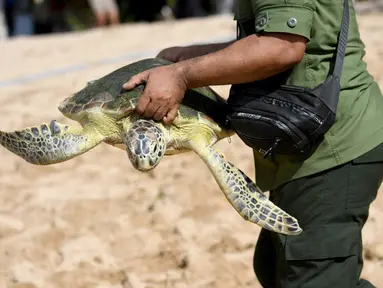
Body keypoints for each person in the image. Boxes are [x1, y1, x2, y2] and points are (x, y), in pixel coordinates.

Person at [123, 0, 383, 287]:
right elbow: (269, 37)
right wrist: (185, 59)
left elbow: (282, 46)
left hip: (332, 145)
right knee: (274, 269)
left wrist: (182, 75)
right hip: (305, 141)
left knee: (310, 277)